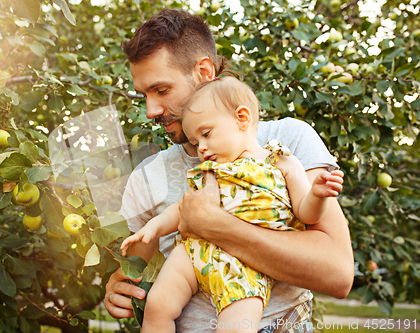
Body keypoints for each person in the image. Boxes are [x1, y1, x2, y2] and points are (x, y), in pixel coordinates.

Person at [105, 8, 354, 333]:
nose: (151, 110)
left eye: (161, 90)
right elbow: (133, 269)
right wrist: (117, 287)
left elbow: (337, 274)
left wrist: (217, 226)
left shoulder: (286, 141)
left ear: (204, 71)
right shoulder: (146, 177)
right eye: (145, 95)